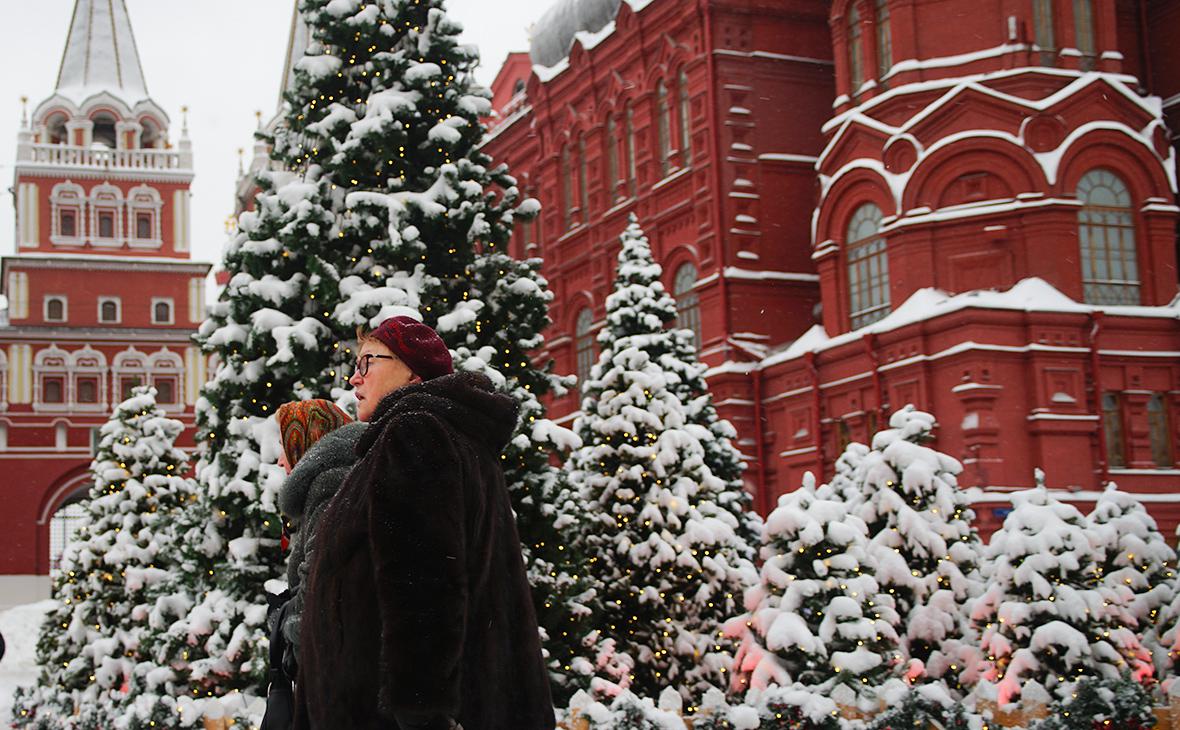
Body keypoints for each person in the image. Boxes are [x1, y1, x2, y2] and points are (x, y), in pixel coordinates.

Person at [294, 316, 553, 730]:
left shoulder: (415, 431)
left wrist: (420, 711)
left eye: (367, 364)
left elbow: (423, 579)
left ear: (413, 371)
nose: (353, 380)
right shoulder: (443, 436)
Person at [262, 399, 364, 730]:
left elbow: (320, 584)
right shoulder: (337, 480)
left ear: (303, 442)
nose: (279, 460)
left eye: (285, 445)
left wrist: (289, 626)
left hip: (335, 680)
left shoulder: (331, 484)